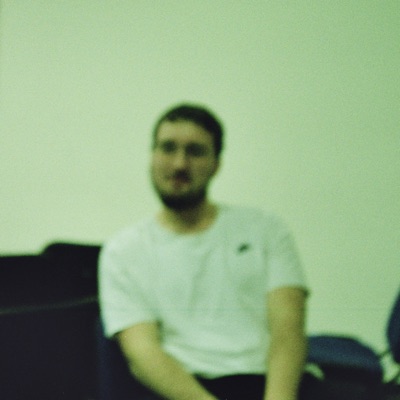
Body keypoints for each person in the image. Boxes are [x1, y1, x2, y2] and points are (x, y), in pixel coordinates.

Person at [98, 103, 311, 400]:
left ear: (216, 164)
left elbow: (288, 328)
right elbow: (142, 353)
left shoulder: (266, 229)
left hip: (267, 385)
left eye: (195, 151)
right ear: (152, 156)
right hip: (183, 390)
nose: (179, 164)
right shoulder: (123, 250)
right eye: (168, 148)